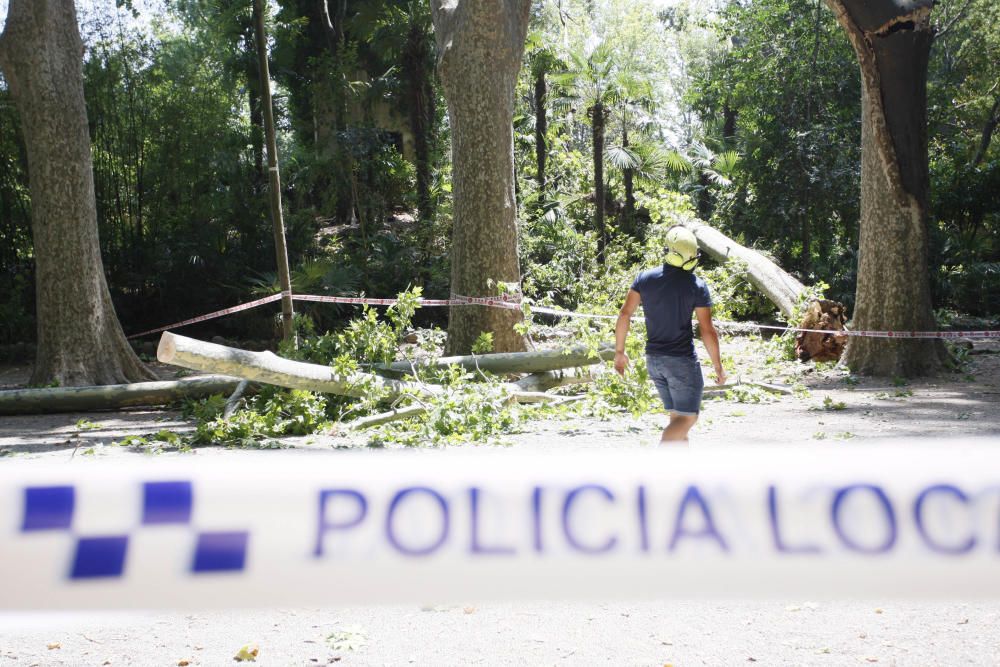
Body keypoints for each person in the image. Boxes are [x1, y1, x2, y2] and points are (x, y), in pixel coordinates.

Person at [614, 226, 726, 444]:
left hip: (654, 361)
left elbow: (625, 314)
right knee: (687, 418)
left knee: (677, 418)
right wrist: (718, 366)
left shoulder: (644, 279)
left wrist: (620, 352)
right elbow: (707, 330)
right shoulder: (697, 286)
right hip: (681, 362)